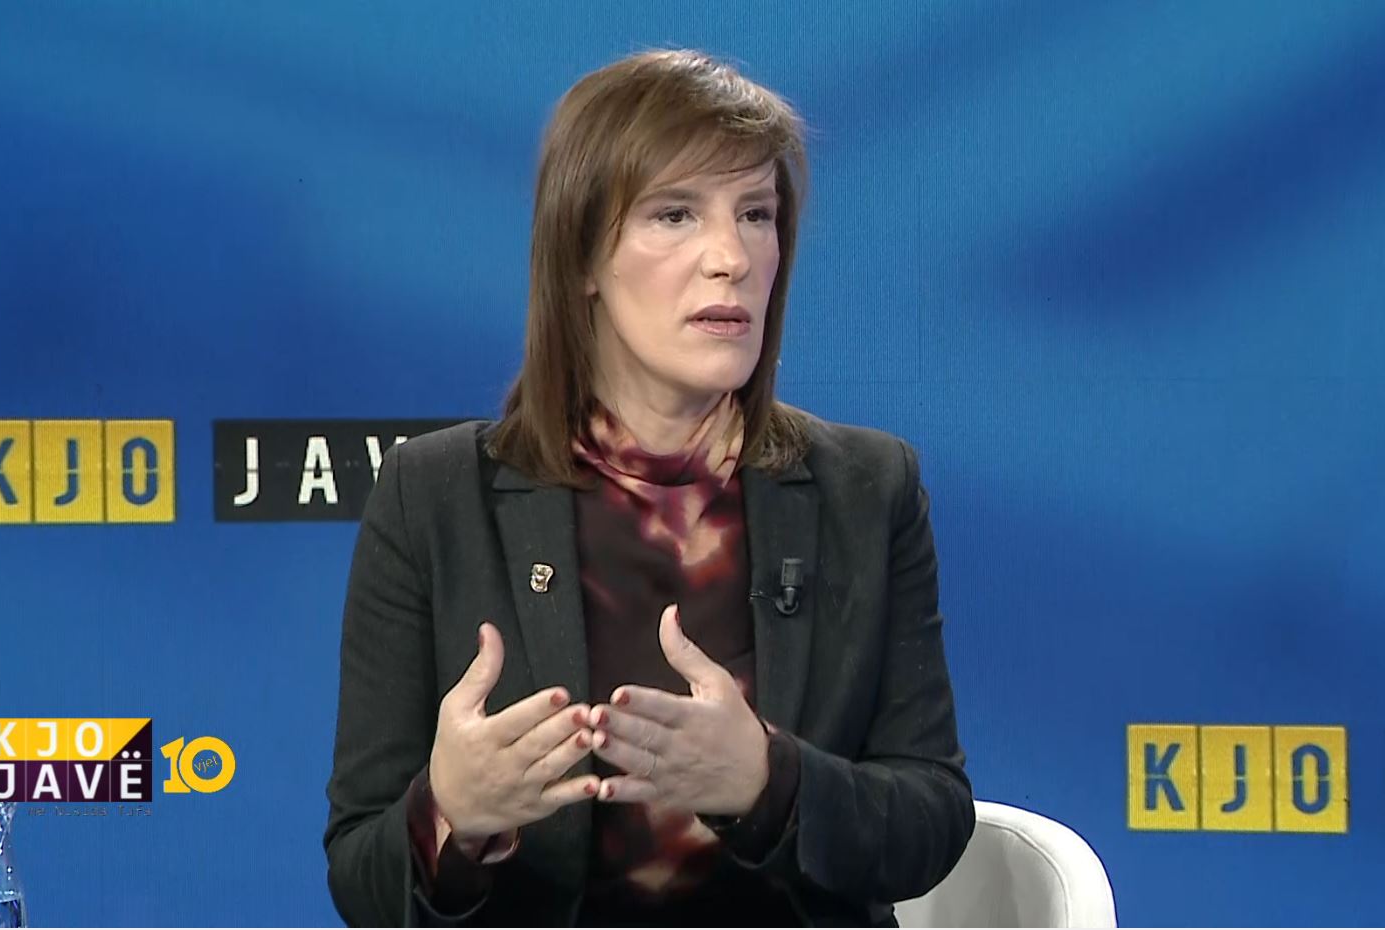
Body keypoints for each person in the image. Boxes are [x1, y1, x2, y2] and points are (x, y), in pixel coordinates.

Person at [322, 47, 974, 927]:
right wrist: (451, 815)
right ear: (582, 256)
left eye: (756, 214)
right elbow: (360, 878)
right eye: (675, 214)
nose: (731, 258)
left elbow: (931, 819)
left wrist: (767, 781)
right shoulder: (435, 496)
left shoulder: (865, 488)